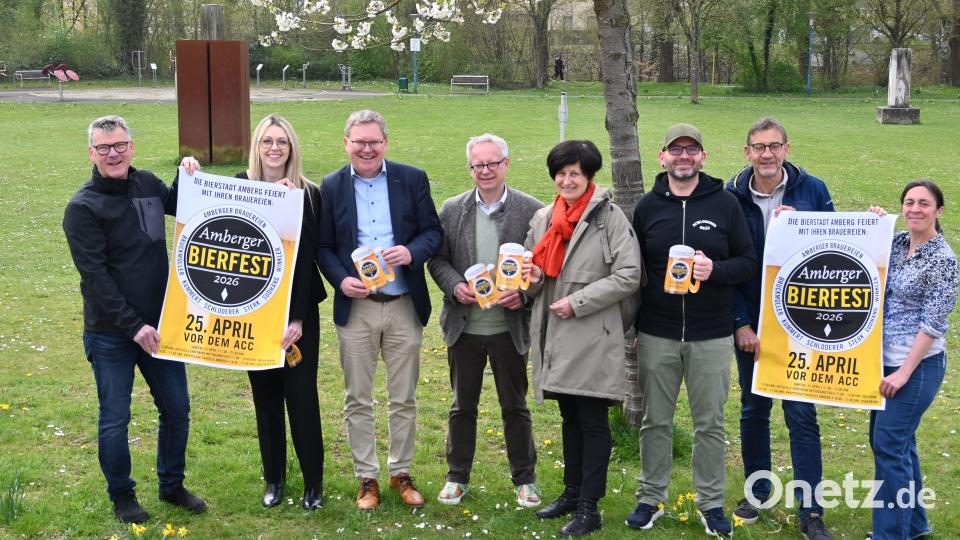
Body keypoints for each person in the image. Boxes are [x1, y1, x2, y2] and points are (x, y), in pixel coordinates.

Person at [63, 116, 207, 524]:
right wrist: (134, 327)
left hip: (160, 327)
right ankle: (122, 495)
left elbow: (181, 205)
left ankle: (172, 485)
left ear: (132, 147)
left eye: (120, 145)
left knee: (177, 409)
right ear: (91, 153)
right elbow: (96, 279)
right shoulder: (82, 207)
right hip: (112, 333)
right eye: (104, 148)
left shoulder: (145, 183)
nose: (114, 154)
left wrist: (188, 176)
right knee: (115, 418)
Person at [626, 123, 755, 537]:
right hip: (657, 332)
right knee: (655, 420)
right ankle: (650, 498)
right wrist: (632, 322)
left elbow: (748, 263)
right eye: (675, 150)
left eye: (691, 150)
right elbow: (634, 272)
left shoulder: (726, 204)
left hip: (711, 334)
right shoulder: (647, 206)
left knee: (710, 423)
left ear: (703, 157)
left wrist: (713, 269)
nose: (684, 156)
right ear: (662, 157)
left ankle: (711, 503)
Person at [316, 109, 442, 511]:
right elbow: (323, 247)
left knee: (403, 397)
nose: (367, 148)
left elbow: (433, 232)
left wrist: (410, 251)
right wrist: (340, 279)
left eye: (374, 141)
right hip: (358, 308)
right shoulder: (331, 186)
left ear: (385, 142)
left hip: (403, 302)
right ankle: (365, 477)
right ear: (346, 143)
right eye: (359, 141)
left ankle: (401, 472)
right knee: (358, 397)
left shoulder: (412, 178)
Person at [522, 140, 642, 537]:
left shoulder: (610, 219)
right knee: (569, 417)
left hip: (592, 334)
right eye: (560, 173)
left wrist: (578, 301)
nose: (566, 179)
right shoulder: (543, 218)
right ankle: (572, 493)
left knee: (592, 420)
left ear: (589, 176)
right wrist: (533, 281)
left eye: (574, 173)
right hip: (555, 335)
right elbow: (530, 272)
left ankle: (590, 507)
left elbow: (629, 275)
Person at [725, 117, 835, 540]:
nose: (766, 154)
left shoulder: (813, 190)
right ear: (747, 152)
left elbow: (832, 253)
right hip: (753, 322)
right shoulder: (732, 196)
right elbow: (729, 264)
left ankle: (811, 511)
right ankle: (758, 493)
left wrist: (802, 225)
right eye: (758, 147)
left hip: (801, 324)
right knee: (754, 411)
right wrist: (741, 322)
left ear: (787, 149)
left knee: (801, 415)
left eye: (774, 146)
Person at [427, 134, 544, 508]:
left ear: (507, 164)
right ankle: (456, 478)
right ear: (470, 169)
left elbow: (542, 267)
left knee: (515, 406)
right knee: (463, 406)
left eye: (493, 163)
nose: (486, 170)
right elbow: (437, 260)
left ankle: (525, 480)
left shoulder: (532, 210)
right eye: (478, 165)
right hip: (465, 327)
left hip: (509, 327)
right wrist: (455, 286)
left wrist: (523, 293)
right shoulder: (451, 209)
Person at [233, 115, 328, 510]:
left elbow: (308, 260)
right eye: (268, 141)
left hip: (297, 316)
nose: (275, 148)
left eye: (283, 142)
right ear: (257, 146)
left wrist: (298, 320)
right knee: (266, 399)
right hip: (254, 313)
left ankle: (313, 485)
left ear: (292, 148)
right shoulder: (239, 186)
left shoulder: (309, 194)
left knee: (302, 398)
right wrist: (188, 170)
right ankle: (274, 479)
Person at [866, 180, 959, 540]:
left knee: (889, 444)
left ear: (938, 210)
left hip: (916, 367)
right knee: (896, 442)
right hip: (883, 362)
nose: (915, 209)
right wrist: (872, 223)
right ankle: (916, 525)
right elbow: (864, 254)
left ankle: (891, 534)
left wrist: (904, 373)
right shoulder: (897, 243)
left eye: (924, 203)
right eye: (909, 202)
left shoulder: (944, 260)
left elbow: (933, 324)